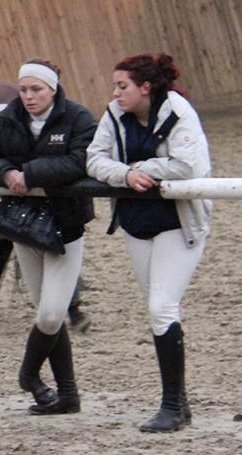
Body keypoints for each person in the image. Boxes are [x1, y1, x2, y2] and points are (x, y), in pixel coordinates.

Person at [86, 53, 211, 432]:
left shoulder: (178, 111)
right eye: (114, 86)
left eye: (122, 86)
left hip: (179, 221)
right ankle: (179, 402)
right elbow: (93, 159)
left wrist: (143, 169)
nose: (115, 93)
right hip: (137, 222)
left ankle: (172, 404)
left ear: (146, 87)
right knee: (160, 310)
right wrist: (124, 175)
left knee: (161, 307)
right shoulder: (113, 115)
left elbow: (187, 165)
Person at [0, 58, 97, 414]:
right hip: (25, 230)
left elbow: (81, 160)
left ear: (52, 90)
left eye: (36, 89)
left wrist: (29, 173)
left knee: (52, 315)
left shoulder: (78, 119)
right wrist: (5, 172)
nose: (28, 96)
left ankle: (28, 375)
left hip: (66, 228)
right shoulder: (8, 119)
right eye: (23, 90)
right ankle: (68, 394)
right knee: (46, 312)